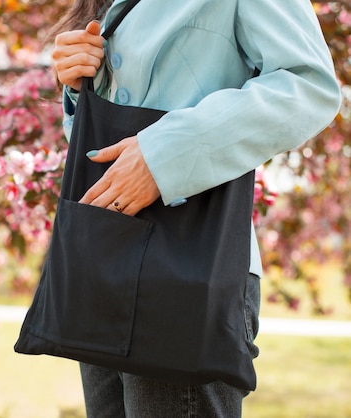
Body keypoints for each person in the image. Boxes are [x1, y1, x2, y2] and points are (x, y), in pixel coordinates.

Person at [48, 0, 341, 416]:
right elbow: (101, 147)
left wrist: (163, 155)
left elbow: (308, 86)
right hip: (104, 253)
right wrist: (78, 89)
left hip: (191, 264)